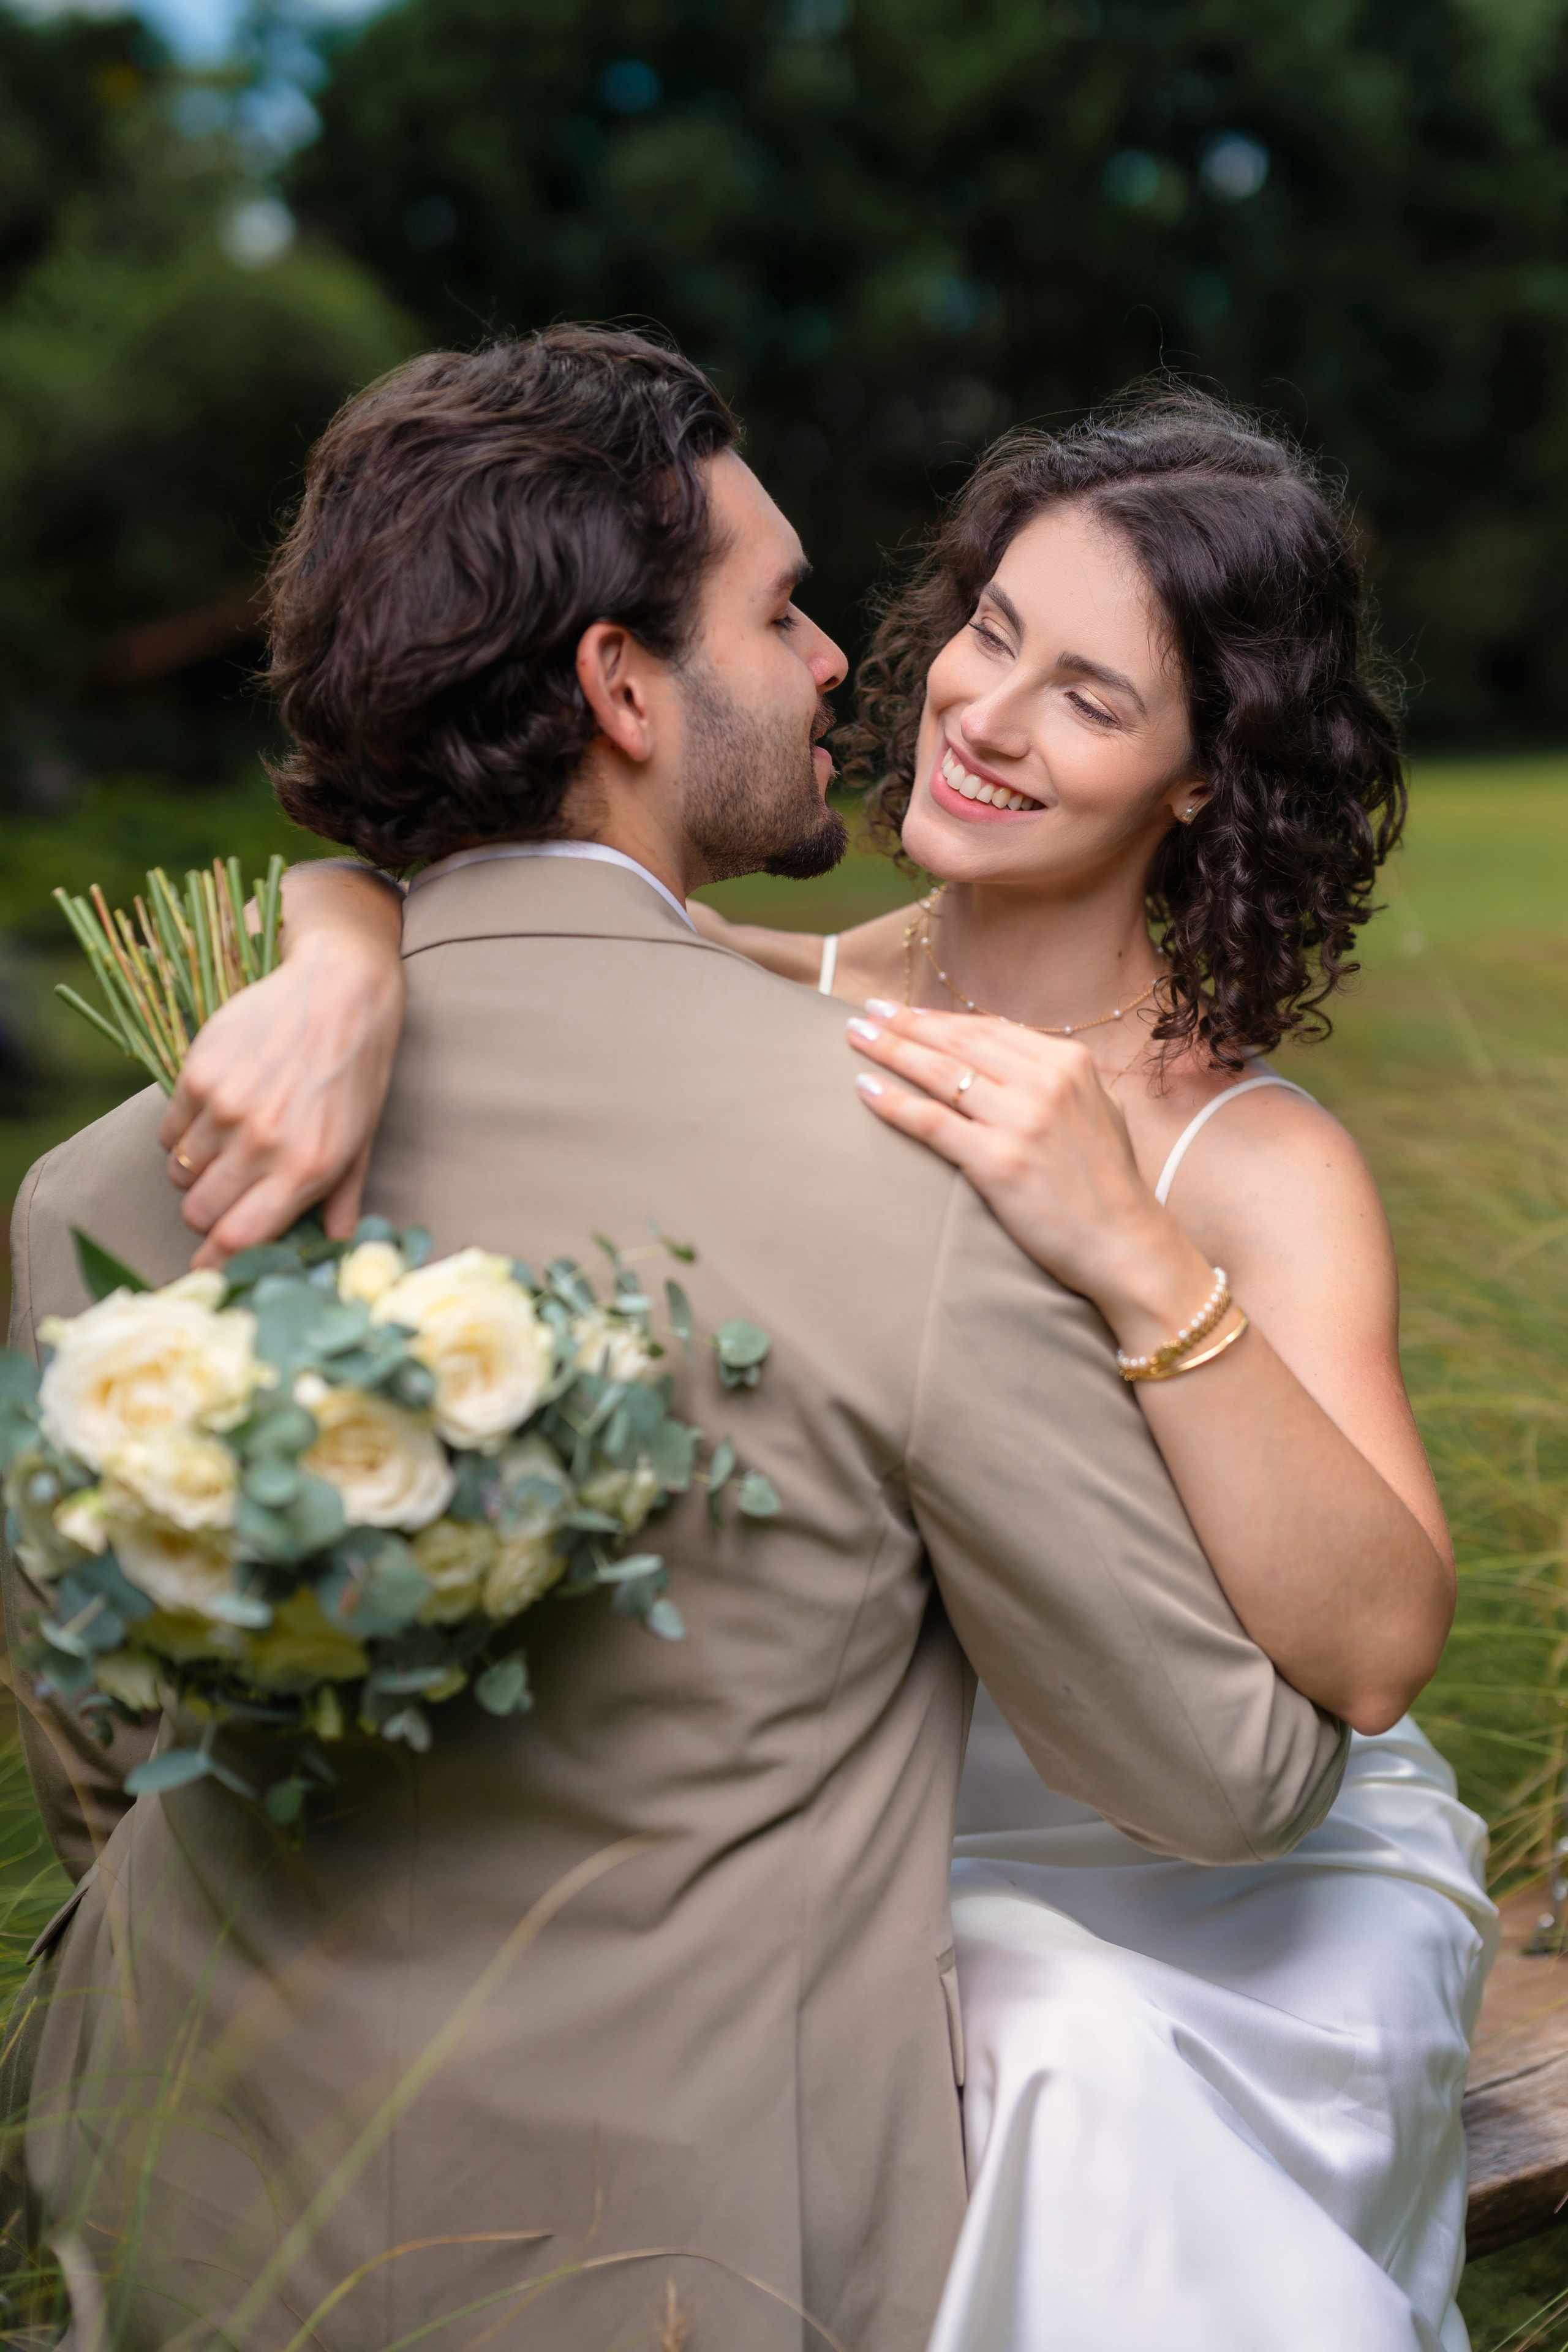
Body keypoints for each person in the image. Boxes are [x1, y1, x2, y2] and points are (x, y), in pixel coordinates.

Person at [0, 334, 1347, 2352]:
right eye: (784, 609)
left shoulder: (102, 1197)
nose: (843, 667)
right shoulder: (910, 1171)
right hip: (691, 2269)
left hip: (184, 2222)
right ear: (622, 688)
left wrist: (343, 917)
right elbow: (1227, 1776)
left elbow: (110, 1775)